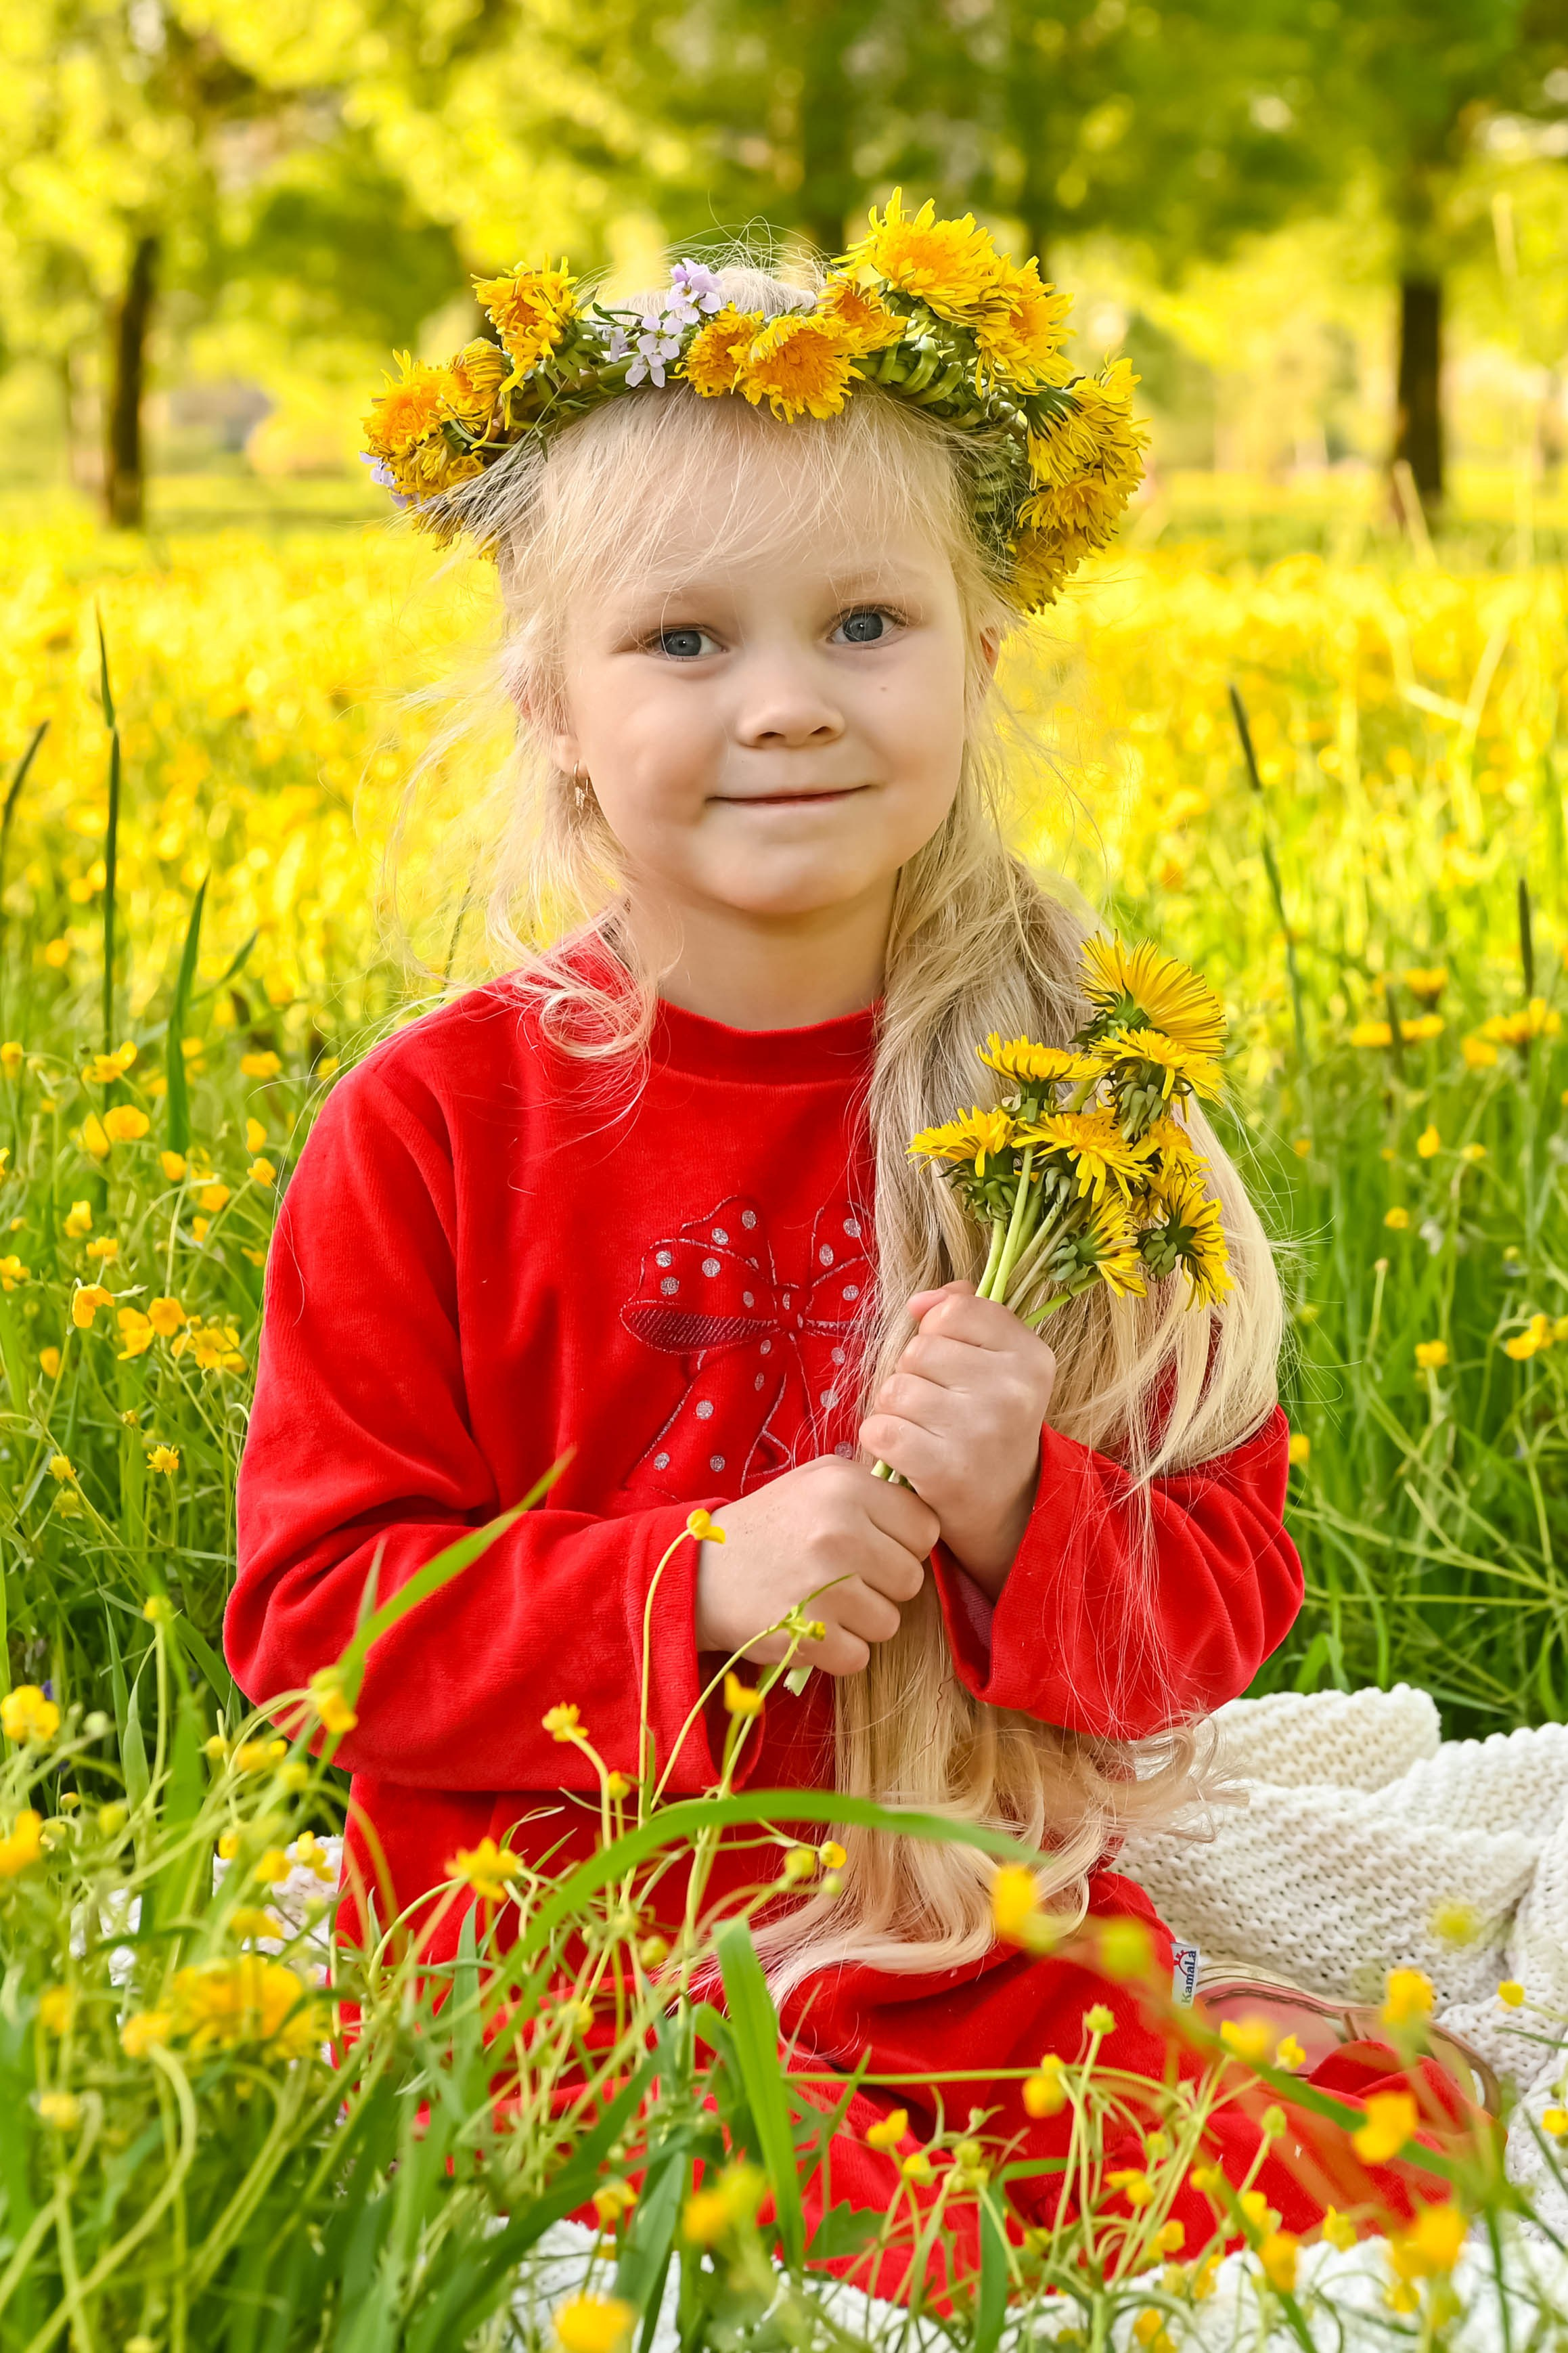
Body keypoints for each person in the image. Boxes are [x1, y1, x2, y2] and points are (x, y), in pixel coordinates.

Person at [226, 210, 1468, 2293]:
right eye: (687, 643)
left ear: (979, 656)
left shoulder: (1075, 1111)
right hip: (558, 1939)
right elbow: (311, 1633)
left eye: (867, 624)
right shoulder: (435, 1126)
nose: (786, 705)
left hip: (957, 1912)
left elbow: (1214, 1612)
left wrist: (1015, 1518)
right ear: (553, 699)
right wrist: (689, 1580)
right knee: (710, 2208)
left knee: (1361, 2174)